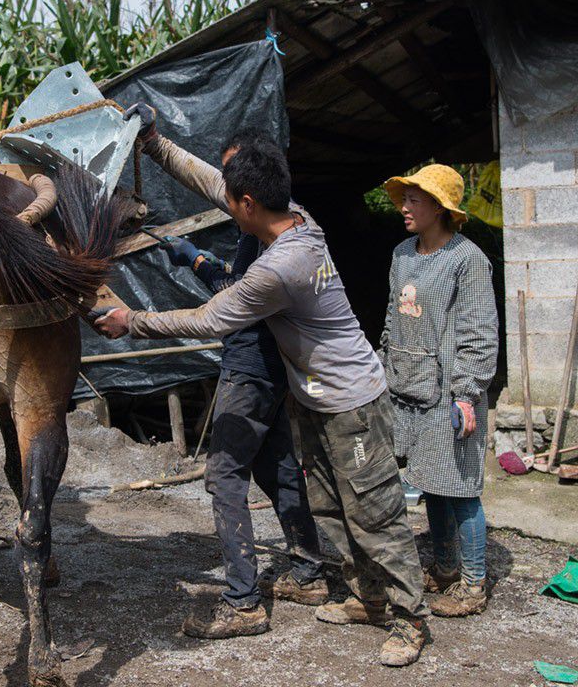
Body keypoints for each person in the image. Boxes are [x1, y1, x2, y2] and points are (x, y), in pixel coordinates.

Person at [94, 138, 430, 667]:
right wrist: (154, 143)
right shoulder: (296, 217)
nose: (224, 203)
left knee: (374, 510)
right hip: (313, 397)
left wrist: (131, 321)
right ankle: (368, 598)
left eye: (231, 200)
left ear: (248, 204)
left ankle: (410, 619)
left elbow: (210, 319)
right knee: (329, 505)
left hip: (351, 401)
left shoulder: (280, 267)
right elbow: (210, 180)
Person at [122, 103, 326, 639]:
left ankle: (242, 601)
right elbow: (232, 278)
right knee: (277, 466)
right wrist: (194, 259)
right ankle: (309, 571)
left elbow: (216, 316)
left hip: (251, 369)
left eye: (231, 181)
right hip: (271, 368)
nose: (223, 188)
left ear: (252, 191)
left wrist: (133, 320)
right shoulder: (278, 222)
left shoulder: (276, 246)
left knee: (224, 474)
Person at [381, 165, 498, 617]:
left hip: (450, 393)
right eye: (404, 197)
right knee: (430, 484)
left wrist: (467, 393)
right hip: (406, 388)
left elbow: (479, 331)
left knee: (462, 488)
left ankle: (473, 584)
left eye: (415, 199)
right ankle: (445, 568)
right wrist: (382, 365)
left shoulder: (467, 259)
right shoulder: (402, 254)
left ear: (440, 208)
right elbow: (392, 318)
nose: (405, 206)